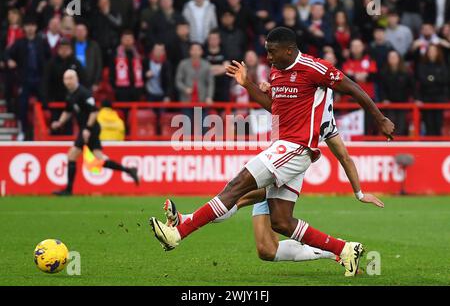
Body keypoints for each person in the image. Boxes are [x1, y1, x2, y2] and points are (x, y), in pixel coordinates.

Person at [149, 27, 394, 277]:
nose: (268, 57)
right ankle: (344, 250)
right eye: (267, 51)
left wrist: (380, 119)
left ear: (289, 50)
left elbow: (352, 88)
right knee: (281, 222)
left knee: (236, 187)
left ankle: (178, 232)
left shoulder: (315, 69)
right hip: (285, 151)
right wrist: (248, 84)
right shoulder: (276, 73)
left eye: (272, 51)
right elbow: (275, 109)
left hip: (295, 148)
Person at [163, 85, 385, 265]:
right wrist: (271, 89)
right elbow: (278, 102)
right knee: (267, 249)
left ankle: (184, 223)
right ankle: (338, 250)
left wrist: (359, 193)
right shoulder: (302, 99)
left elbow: (344, 156)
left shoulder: (318, 116)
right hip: (277, 161)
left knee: (237, 195)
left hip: (283, 164)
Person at [51, 70, 139, 196]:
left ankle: (68, 190)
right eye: (65, 79)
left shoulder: (84, 93)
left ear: (76, 79)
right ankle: (129, 170)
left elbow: (94, 112)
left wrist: (87, 128)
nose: (68, 81)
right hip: (87, 129)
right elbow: (68, 110)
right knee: (99, 159)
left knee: (72, 155)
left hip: (90, 129)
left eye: (70, 78)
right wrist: (60, 122)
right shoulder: (70, 94)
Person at [379, 50, 415, 136]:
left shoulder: (406, 72)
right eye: (390, 57)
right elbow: (382, 89)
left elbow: (412, 87)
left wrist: (414, 98)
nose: (392, 59)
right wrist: (384, 99)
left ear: (399, 59)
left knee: (402, 124)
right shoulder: (384, 73)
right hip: (390, 103)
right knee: (391, 124)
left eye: (394, 57)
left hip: (402, 103)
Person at [416, 44, 449, 136]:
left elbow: (445, 79)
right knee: (428, 122)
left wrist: (431, 78)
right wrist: (435, 79)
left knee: (438, 122)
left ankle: (439, 142)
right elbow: (422, 80)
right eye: (430, 51)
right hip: (426, 97)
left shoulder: (442, 65)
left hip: (439, 97)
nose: (432, 53)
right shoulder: (422, 65)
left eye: (434, 51)